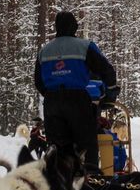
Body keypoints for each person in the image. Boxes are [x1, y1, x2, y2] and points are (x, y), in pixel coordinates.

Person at [33, 11, 116, 164]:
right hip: (78, 100)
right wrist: (110, 94)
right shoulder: (84, 47)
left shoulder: (44, 51)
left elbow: (38, 81)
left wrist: (52, 95)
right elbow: (107, 70)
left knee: (57, 150)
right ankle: (90, 174)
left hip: (52, 102)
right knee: (86, 144)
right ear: (74, 26)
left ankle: (59, 176)